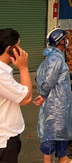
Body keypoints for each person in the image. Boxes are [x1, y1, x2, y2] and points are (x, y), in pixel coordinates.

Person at [34, 29, 72, 163]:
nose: (67, 42)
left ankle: (63, 158)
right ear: (61, 41)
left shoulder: (55, 57)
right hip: (56, 103)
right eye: (65, 39)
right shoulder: (56, 59)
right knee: (52, 132)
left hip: (60, 101)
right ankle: (47, 161)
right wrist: (43, 95)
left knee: (61, 131)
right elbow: (49, 80)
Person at [0, 29, 32, 163]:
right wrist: (23, 68)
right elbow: (26, 99)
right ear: (10, 49)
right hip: (5, 141)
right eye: (19, 46)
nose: (21, 50)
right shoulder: (1, 75)